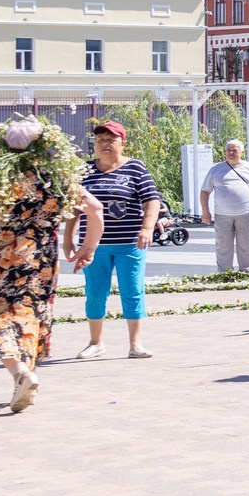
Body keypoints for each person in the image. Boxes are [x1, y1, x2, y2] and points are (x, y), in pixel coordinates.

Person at [0, 117, 102, 412]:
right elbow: (95, 208)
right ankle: (25, 380)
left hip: (1, 262)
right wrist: (87, 248)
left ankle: (21, 373)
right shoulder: (55, 180)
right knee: (30, 317)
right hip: (41, 262)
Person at [74, 119, 164, 360]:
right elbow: (73, 205)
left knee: (132, 291)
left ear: (123, 143)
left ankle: (135, 344)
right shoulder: (84, 170)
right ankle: (95, 342)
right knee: (95, 292)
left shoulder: (135, 168)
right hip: (94, 245)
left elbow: (152, 200)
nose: (105, 144)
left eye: (111, 140)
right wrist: (68, 239)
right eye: (100, 140)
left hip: (129, 243)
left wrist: (147, 228)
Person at [199, 139, 249, 274]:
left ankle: (246, 272)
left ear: (242, 152)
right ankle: (224, 273)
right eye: (228, 150)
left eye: (234, 150)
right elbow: (205, 191)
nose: (231, 153)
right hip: (222, 214)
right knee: (223, 246)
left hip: (246, 214)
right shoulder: (216, 169)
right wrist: (205, 212)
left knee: (246, 245)